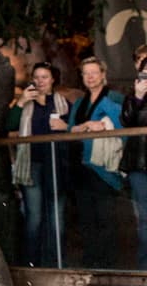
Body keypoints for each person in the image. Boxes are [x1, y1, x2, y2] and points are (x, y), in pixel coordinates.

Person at [58, 56, 123, 268]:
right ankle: (92, 263)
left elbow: (123, 124)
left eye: (94, 72)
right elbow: (70, 129)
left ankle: (109, 266)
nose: (90, 77)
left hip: (104, 167)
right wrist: (81, 126)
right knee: (86, 218)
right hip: (80, 166)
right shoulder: (79, 102)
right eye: (86, 73)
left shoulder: (114, 97)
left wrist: (103, 125)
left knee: (106, 218)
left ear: (103, 75)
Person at [6, 62, 69, 267]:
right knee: (34, 216)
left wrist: (65, 126)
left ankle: (56, 262)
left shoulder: (62, 102)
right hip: (32, 164)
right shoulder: (26, 103)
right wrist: (21, 101)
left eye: (45, 77)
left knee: (56, 216)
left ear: (53, 80)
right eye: (37, 77)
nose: (40, 81)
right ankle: (32, 264)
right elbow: (9, 125)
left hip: (56, 164)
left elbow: (73, 130)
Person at [120, 44, 147, 270]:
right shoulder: (133, 93)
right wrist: (138, 97)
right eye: (141, 62)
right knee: (144, 217)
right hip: (139, 163)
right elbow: (127, 122)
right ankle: (144, 267)